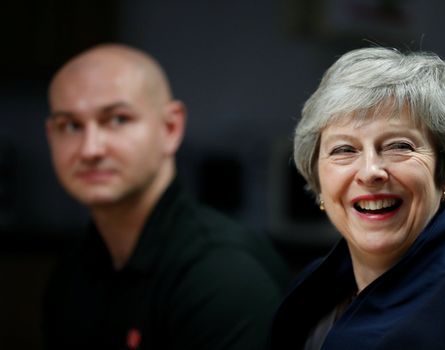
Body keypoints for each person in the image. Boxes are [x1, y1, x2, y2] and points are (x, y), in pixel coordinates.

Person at [269, 47, 445, 350]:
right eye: (344, 150)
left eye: (399, 146)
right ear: (319, 182)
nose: (370, 172)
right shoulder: (309, 287)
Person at [43, 43, 288, 350]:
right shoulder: (74, 271)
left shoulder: (222, 276)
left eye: (117, 119)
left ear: (170, 128)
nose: (90, 148)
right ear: (51, 135)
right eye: (70, 126)